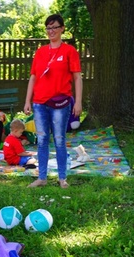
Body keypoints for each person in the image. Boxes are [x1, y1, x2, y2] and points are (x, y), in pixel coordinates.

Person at [24, 13, 82, 189]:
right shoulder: (41, 52)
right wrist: (27, 101)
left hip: (60, 103)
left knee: (59, 139)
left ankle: (62, 178)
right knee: (41, 140)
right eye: (48, 28)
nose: (51, 31)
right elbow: (33, 78)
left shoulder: (69, 51)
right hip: (39, 103)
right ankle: (42, 177)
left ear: (62, 28)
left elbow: (78, 77)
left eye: (55, 27)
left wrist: (78, 102)